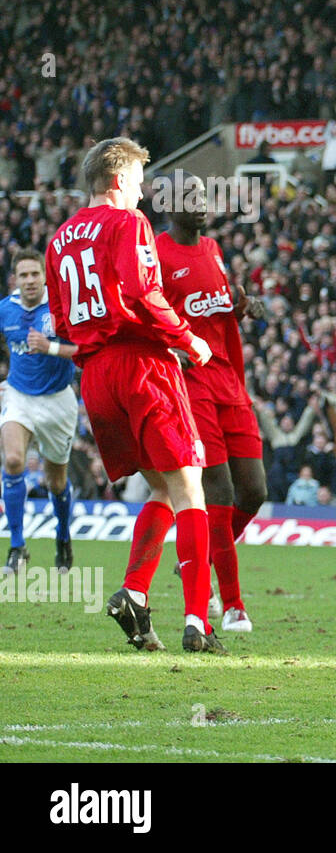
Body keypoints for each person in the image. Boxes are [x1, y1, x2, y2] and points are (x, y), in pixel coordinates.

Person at [44, 137, 224, 654]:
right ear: (120, 180)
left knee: (161, 490)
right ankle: (198, 621)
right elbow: (143, 290)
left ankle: (136, 593)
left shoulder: (59, 241)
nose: (143, 194)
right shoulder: (127, 224)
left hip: (96, 378)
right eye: (140, 183)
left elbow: (61, 319)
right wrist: (186, 338)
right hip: (142, 366)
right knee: (192, 490)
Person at [157, 171, 268, 634]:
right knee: (218, 491)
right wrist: (172, 350)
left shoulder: (214, 250)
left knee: (255, 491)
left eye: (203, 195)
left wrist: (242, 306)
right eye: (191, 196)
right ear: (169, 205)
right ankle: (234, 604)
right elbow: (146, 313)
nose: (202, 203)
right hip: (192, 381)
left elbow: (217, 307)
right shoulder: (159, 255)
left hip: (228, 378)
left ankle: (198, 558)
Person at [0, 250, 78, 576]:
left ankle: (63, 537)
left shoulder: (60, 307)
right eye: (24, 275)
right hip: (19, 395)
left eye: (35, 274)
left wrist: (51, 347)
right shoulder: (6, 309)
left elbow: (86, 349)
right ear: (15, 279)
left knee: (54, 481)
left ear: (45, 277)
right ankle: (17, 547)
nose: (30, 280)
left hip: (58, 401)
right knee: (14, 460)